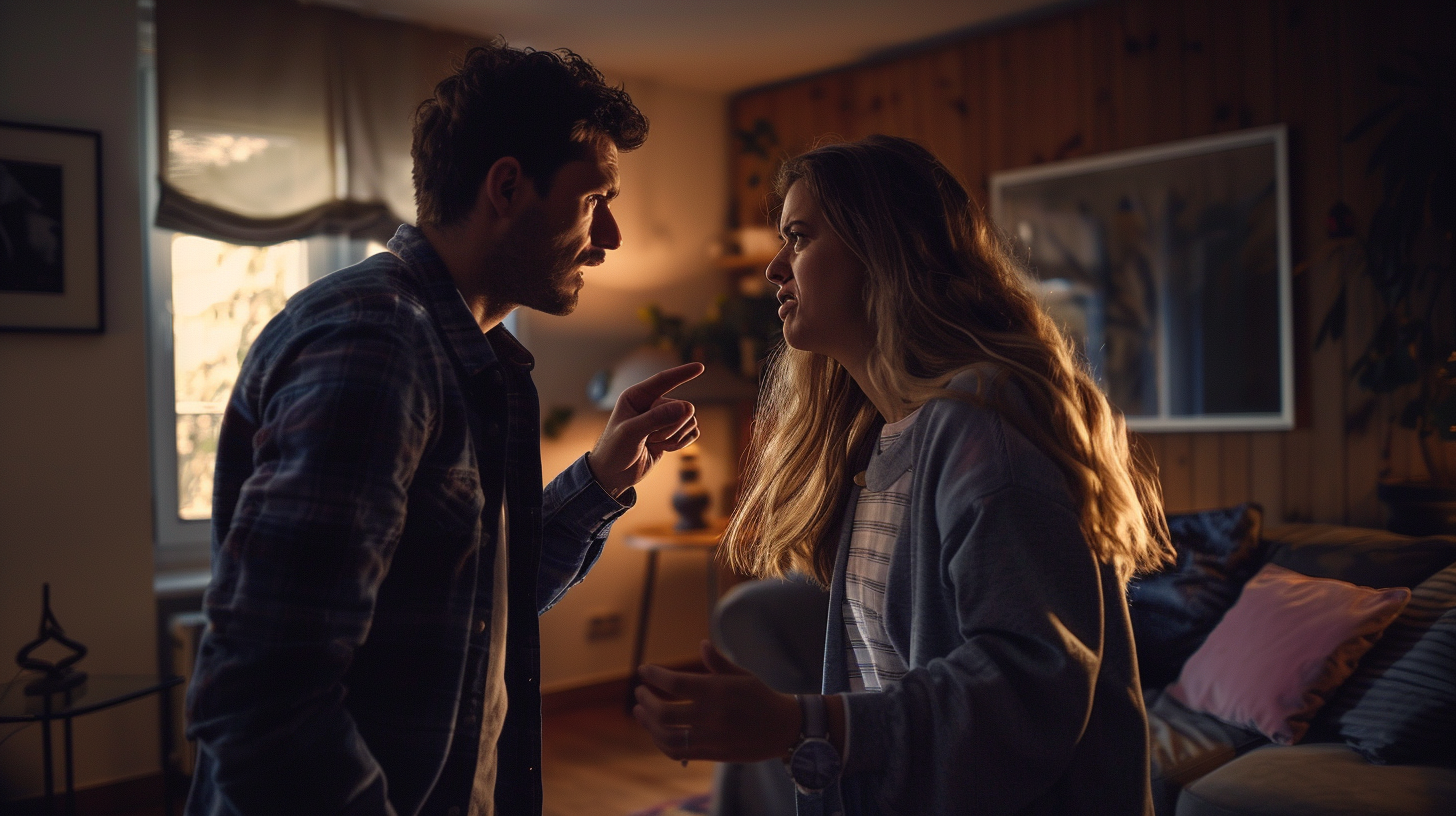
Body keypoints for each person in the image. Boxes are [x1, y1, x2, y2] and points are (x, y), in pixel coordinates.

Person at [186, 42, 703, 816]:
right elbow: (262, 698)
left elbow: (480, 604)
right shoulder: (377, 347)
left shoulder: (470, 357)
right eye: (597, 201)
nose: (613, 239)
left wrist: (601, 478)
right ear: (506, 186)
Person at [632, 135, 1175, 816]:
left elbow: (1030, 684)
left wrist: (801, 723)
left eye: (798, 237)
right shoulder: (883, 440)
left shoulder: (984, 423)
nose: (775, 267)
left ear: (884, 251)